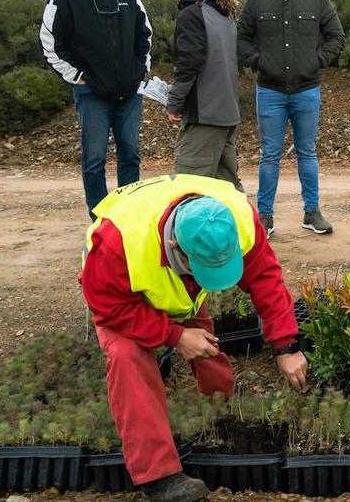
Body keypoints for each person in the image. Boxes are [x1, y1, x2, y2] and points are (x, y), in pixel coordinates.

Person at [80, 174, 306, 502]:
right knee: (128, 357)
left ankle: (219, 408)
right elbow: (109, 310)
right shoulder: (118, 243)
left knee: (202, 340)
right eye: (200, 267)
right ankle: (158, 476)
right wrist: (174, 335)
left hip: (169, 280)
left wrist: (285, 345)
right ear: (175, 247)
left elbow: (265, 276)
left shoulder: (236, 217)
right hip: (123, 295)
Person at [236, 0, 345, 237]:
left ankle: (312, 212)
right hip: (269, 91)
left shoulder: (317, 0)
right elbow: (241, 39)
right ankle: (265, 218)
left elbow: (336, 37)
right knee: (270, 154)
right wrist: (260, 62)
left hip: (306, 91)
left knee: (307, 152)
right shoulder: (257, 0)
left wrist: (316, 61)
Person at [41, 0, 151, 218]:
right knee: (94, 160)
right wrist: (76, 76)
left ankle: (128, 216)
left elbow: (144, 32)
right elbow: (50, 43)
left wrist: (141, 69)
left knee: (130, 155)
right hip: (91, 94)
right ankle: (100, 220)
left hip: (129, 91)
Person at [165, 0, 242, 190]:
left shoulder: (192, 15)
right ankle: (244, 227)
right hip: (226, 115)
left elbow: (188, 64)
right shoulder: (224, 15)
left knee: (191, 190)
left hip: (204, 117)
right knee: (227, 190)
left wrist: (174, 103)